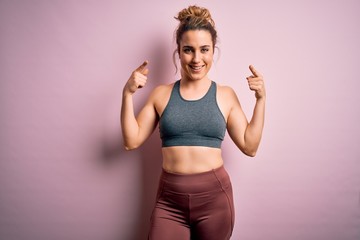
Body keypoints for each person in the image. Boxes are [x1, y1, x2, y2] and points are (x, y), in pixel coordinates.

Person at [121, 5, 265, 240]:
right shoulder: (161, 94)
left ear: (212, 51)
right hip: (169, 203)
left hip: (215, 202)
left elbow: (250, 146)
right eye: (188, 50)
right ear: (178, 51)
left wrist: (261, 100)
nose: (197, 58)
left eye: (204, 50)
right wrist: (127, 95)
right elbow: (131, 141)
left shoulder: (225, 95)